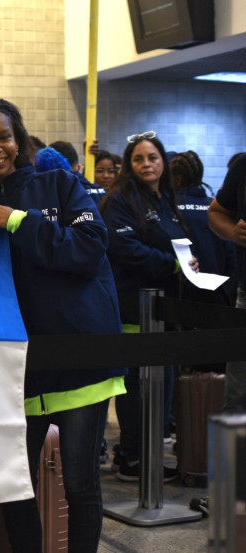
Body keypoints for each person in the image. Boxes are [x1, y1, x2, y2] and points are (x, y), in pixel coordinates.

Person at [0, 96, 124, 553]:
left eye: (4, 136)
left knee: (81, 484)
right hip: (12, 369)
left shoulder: (59, 183)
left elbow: (88, 248)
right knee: (15, 486)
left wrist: (18, 221)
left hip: (80, 361)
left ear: (19, 139)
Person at [99, 131, 198, 480]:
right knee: (139, 384)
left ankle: (151, 455)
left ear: (163, 162)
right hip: (133, 306)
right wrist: (171, 264)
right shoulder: (120, 200)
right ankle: (131, 457)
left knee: (163, 383)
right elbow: (125, 249)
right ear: (129, 164)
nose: (146, 164)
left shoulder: (165, 199)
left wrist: (187, 264)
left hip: (165, 308)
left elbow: (178, 244)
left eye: (152, 158)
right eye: (138, 159)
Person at [171, 150, 237, 306]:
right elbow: (232, 258)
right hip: (219, 297)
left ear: (177, 179)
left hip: (182, 300)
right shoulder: (217, 211)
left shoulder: (171, 209)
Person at [208, 153, 246, 413]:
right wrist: (232, 231)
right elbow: (217, 212)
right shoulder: (243, 166)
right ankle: (235, 454)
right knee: (239, 394)